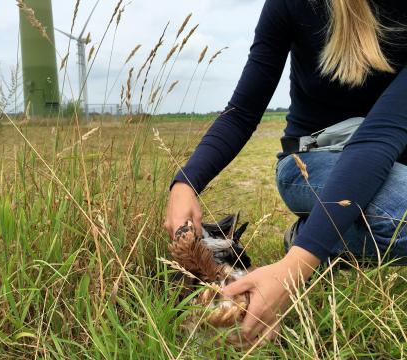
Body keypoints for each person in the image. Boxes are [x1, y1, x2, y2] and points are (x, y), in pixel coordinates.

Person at [163, 0, 407, 345]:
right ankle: (324, 232)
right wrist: (185, 183)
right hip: (313, 160)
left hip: (389, 156)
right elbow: (242, 112)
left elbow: (381, 137)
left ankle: (316, 235)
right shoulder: (291, 5)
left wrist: (297, 261)